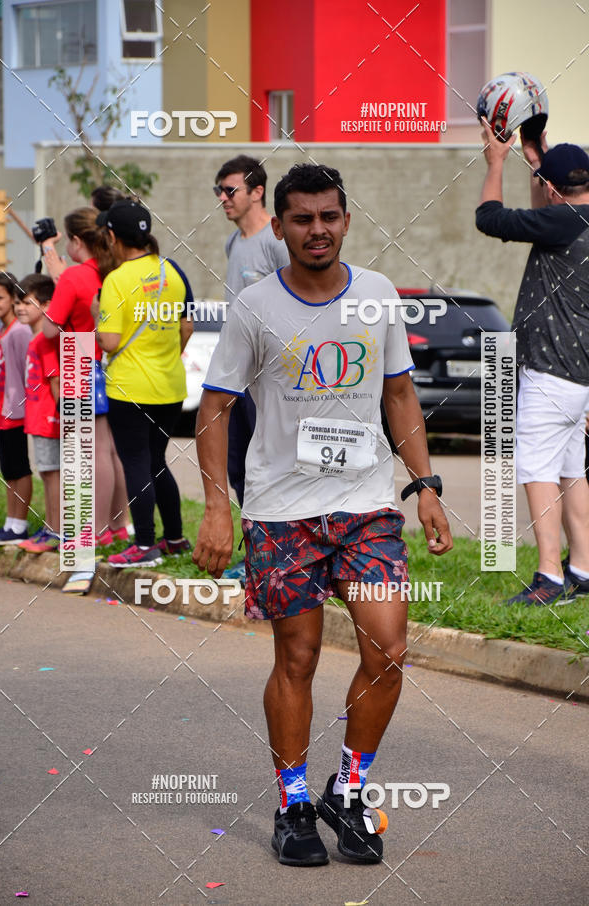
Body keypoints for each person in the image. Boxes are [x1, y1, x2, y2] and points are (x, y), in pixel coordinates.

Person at [193, 164, 452, 867]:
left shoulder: (376, 296)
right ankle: (292, 803)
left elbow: (399, 396)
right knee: (298, 658)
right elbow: (213, 408)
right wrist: (218, 506)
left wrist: (424, 484)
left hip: (365, 506)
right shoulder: (254, 306)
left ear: (346, 218)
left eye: (329, 216)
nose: (318, 229)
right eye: (302, 219)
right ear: (279, 227)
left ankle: (350, 787)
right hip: (282, 513)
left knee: (388, 649)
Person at [476, 124, 589, 605]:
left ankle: (549, 578)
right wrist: (534, 155)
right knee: (572, 473)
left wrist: (496, 162)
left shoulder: (561, 223)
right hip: (578, 380)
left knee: (537, 470)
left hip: (548, 374)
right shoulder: (575, 222)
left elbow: (490, 218)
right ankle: (583, 569)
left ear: (551, 188)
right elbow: (545, 205)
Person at [96, 199, 194, 567]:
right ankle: (175, 538)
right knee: (157, 461)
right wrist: (168, 355)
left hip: (129, 387)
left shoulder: (116, 280)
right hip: (170, 385)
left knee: (136, 461)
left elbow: (108, 341)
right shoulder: (174, 271)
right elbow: (186, 326)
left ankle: (145, 545)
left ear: (111, 236)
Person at [42, 206, 131, 546]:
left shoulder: (73, 276)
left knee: (89, 452)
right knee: (111, 451)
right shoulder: (116, 270)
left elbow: (50, 329)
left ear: (77, 240)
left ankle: (90, 531)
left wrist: (56, 283)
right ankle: (118, 525)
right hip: (115, 359)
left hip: (80, 357)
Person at [214, 155, 289, 512]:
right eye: (219, 191)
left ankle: (280, 553)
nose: (223, 198)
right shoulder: (232, 242)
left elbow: (298, 300)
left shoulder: (275, 241)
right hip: (237, 372)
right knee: (237, 466)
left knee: (270, 466)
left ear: (257, 191)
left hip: (271, 376)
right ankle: (253, 556)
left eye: (230, 190)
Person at [14, 275, 61, 553]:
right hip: (38, 418)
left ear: (46, 306)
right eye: (18, 302)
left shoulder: (45, 339)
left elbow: (55, 380)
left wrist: (63, 416)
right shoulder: (36, 338)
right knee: (47, 473)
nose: (20, 308)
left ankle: (56, 531)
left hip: (48, 418)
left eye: (27, 302)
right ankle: (50, 527)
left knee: (51, 474)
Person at [0, 272, 33, 544]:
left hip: (14, 411)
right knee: (8, 469)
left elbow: (26, 373)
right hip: (0, 411)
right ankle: (11, 521)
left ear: (13, 297)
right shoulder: (2, 330)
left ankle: (20, 525)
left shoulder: (19, 331)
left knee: (19, 467)